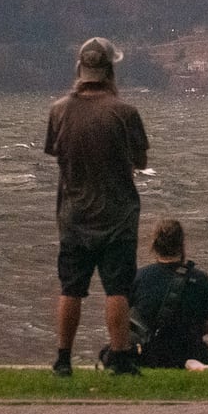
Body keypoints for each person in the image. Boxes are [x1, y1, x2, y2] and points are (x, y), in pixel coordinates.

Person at [45, 37, 149, 376]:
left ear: (80, 69)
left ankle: (63, 359)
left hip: (73, 215)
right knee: (117, 289)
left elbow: (56, 153)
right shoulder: (125, 113)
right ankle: (120, 357)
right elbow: (140, 159)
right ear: (110, 71)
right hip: (117, 216)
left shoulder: (59, 110)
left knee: (70, 288)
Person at [129, 219, 208, 369]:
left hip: (150, 355)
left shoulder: (138, 277)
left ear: (155, 245)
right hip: (191, 352)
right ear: (182, 245)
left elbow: (125, 319)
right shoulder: (202, 280)